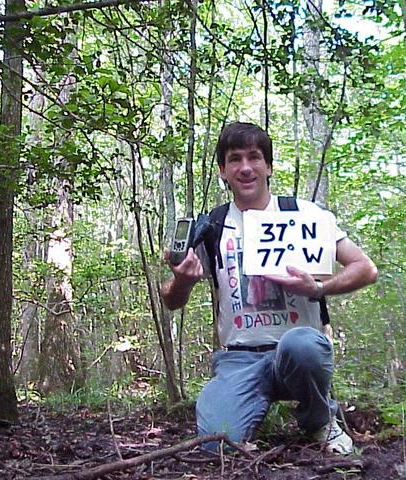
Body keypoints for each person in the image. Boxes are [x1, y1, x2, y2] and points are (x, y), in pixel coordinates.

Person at [162, 122, 378, 454]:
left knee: (303, 345)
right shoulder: (212, 226)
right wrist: (183, 280)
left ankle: (318, 420)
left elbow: (366, 268)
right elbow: (171, 300)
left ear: (269, 166)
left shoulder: (306, 215)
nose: (245, 167)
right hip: (239, 358)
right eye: (235, 159)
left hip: (296, 350)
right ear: (223, 170)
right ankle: (249, 408)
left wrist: (319, 288)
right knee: (215, 445)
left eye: (254, 157)